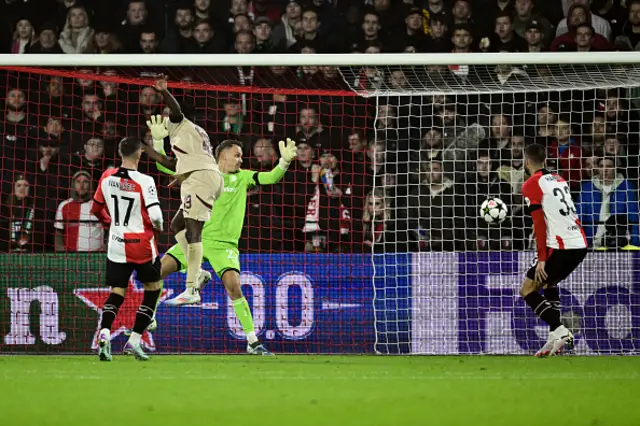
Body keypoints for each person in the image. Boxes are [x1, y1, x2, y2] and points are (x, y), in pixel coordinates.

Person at [144, 128, 298, 356]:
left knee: (234, 287)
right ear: (223, 155)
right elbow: (165, 166)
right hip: (196, 240)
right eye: (237, 155)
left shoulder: (243, 177)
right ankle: (150, 318)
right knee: (155, 273)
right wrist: (158, 141)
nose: (241, 159)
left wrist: (284, 162)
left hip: (224, 246)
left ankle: (253, 341)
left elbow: (271, 177)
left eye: (241, 156)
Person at [149, 75, 224, 306]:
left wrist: (163, 91)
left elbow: (176, 111)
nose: (163, 119)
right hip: (203, 176)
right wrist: (153, 147)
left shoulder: (181, 124)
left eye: (164, 115)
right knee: (177, 226)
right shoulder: (192, 134)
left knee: (193, 232)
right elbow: (172, 164)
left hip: (201, 179)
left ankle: (192, 288)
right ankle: (198, 273)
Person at [90, 137, 165, 362]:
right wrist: (157, 229)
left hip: (116, 243)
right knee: (154, 288)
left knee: (117, 292)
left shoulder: (106, 176)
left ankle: (104, 333)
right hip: (141, 245)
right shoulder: (145, 180)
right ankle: (133, 340)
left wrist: (110, 223)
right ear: (140, 154)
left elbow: (96, 209)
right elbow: (156, 216)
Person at [520, 143, 588, 357]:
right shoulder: (558, 179)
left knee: (528, 290)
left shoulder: (531, 184)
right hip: (580, 243)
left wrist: (541, 258)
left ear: (527, 161)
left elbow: (539, 224)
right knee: (550, 283)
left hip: (561, 245)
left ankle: (560, 330)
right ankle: (553, 338)